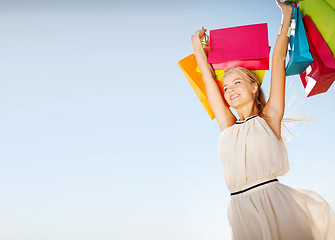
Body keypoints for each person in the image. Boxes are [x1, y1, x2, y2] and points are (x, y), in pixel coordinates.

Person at [190, 0, 335, 239]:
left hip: (275, 205)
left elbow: (277, 59)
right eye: (226, 88)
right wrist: (197, 46)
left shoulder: (269, 117)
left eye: (237, 83)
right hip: (239, 209)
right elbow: (207, 77)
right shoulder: (227, 125)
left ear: (254, 87)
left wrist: (286, 15)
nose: (230, 91)